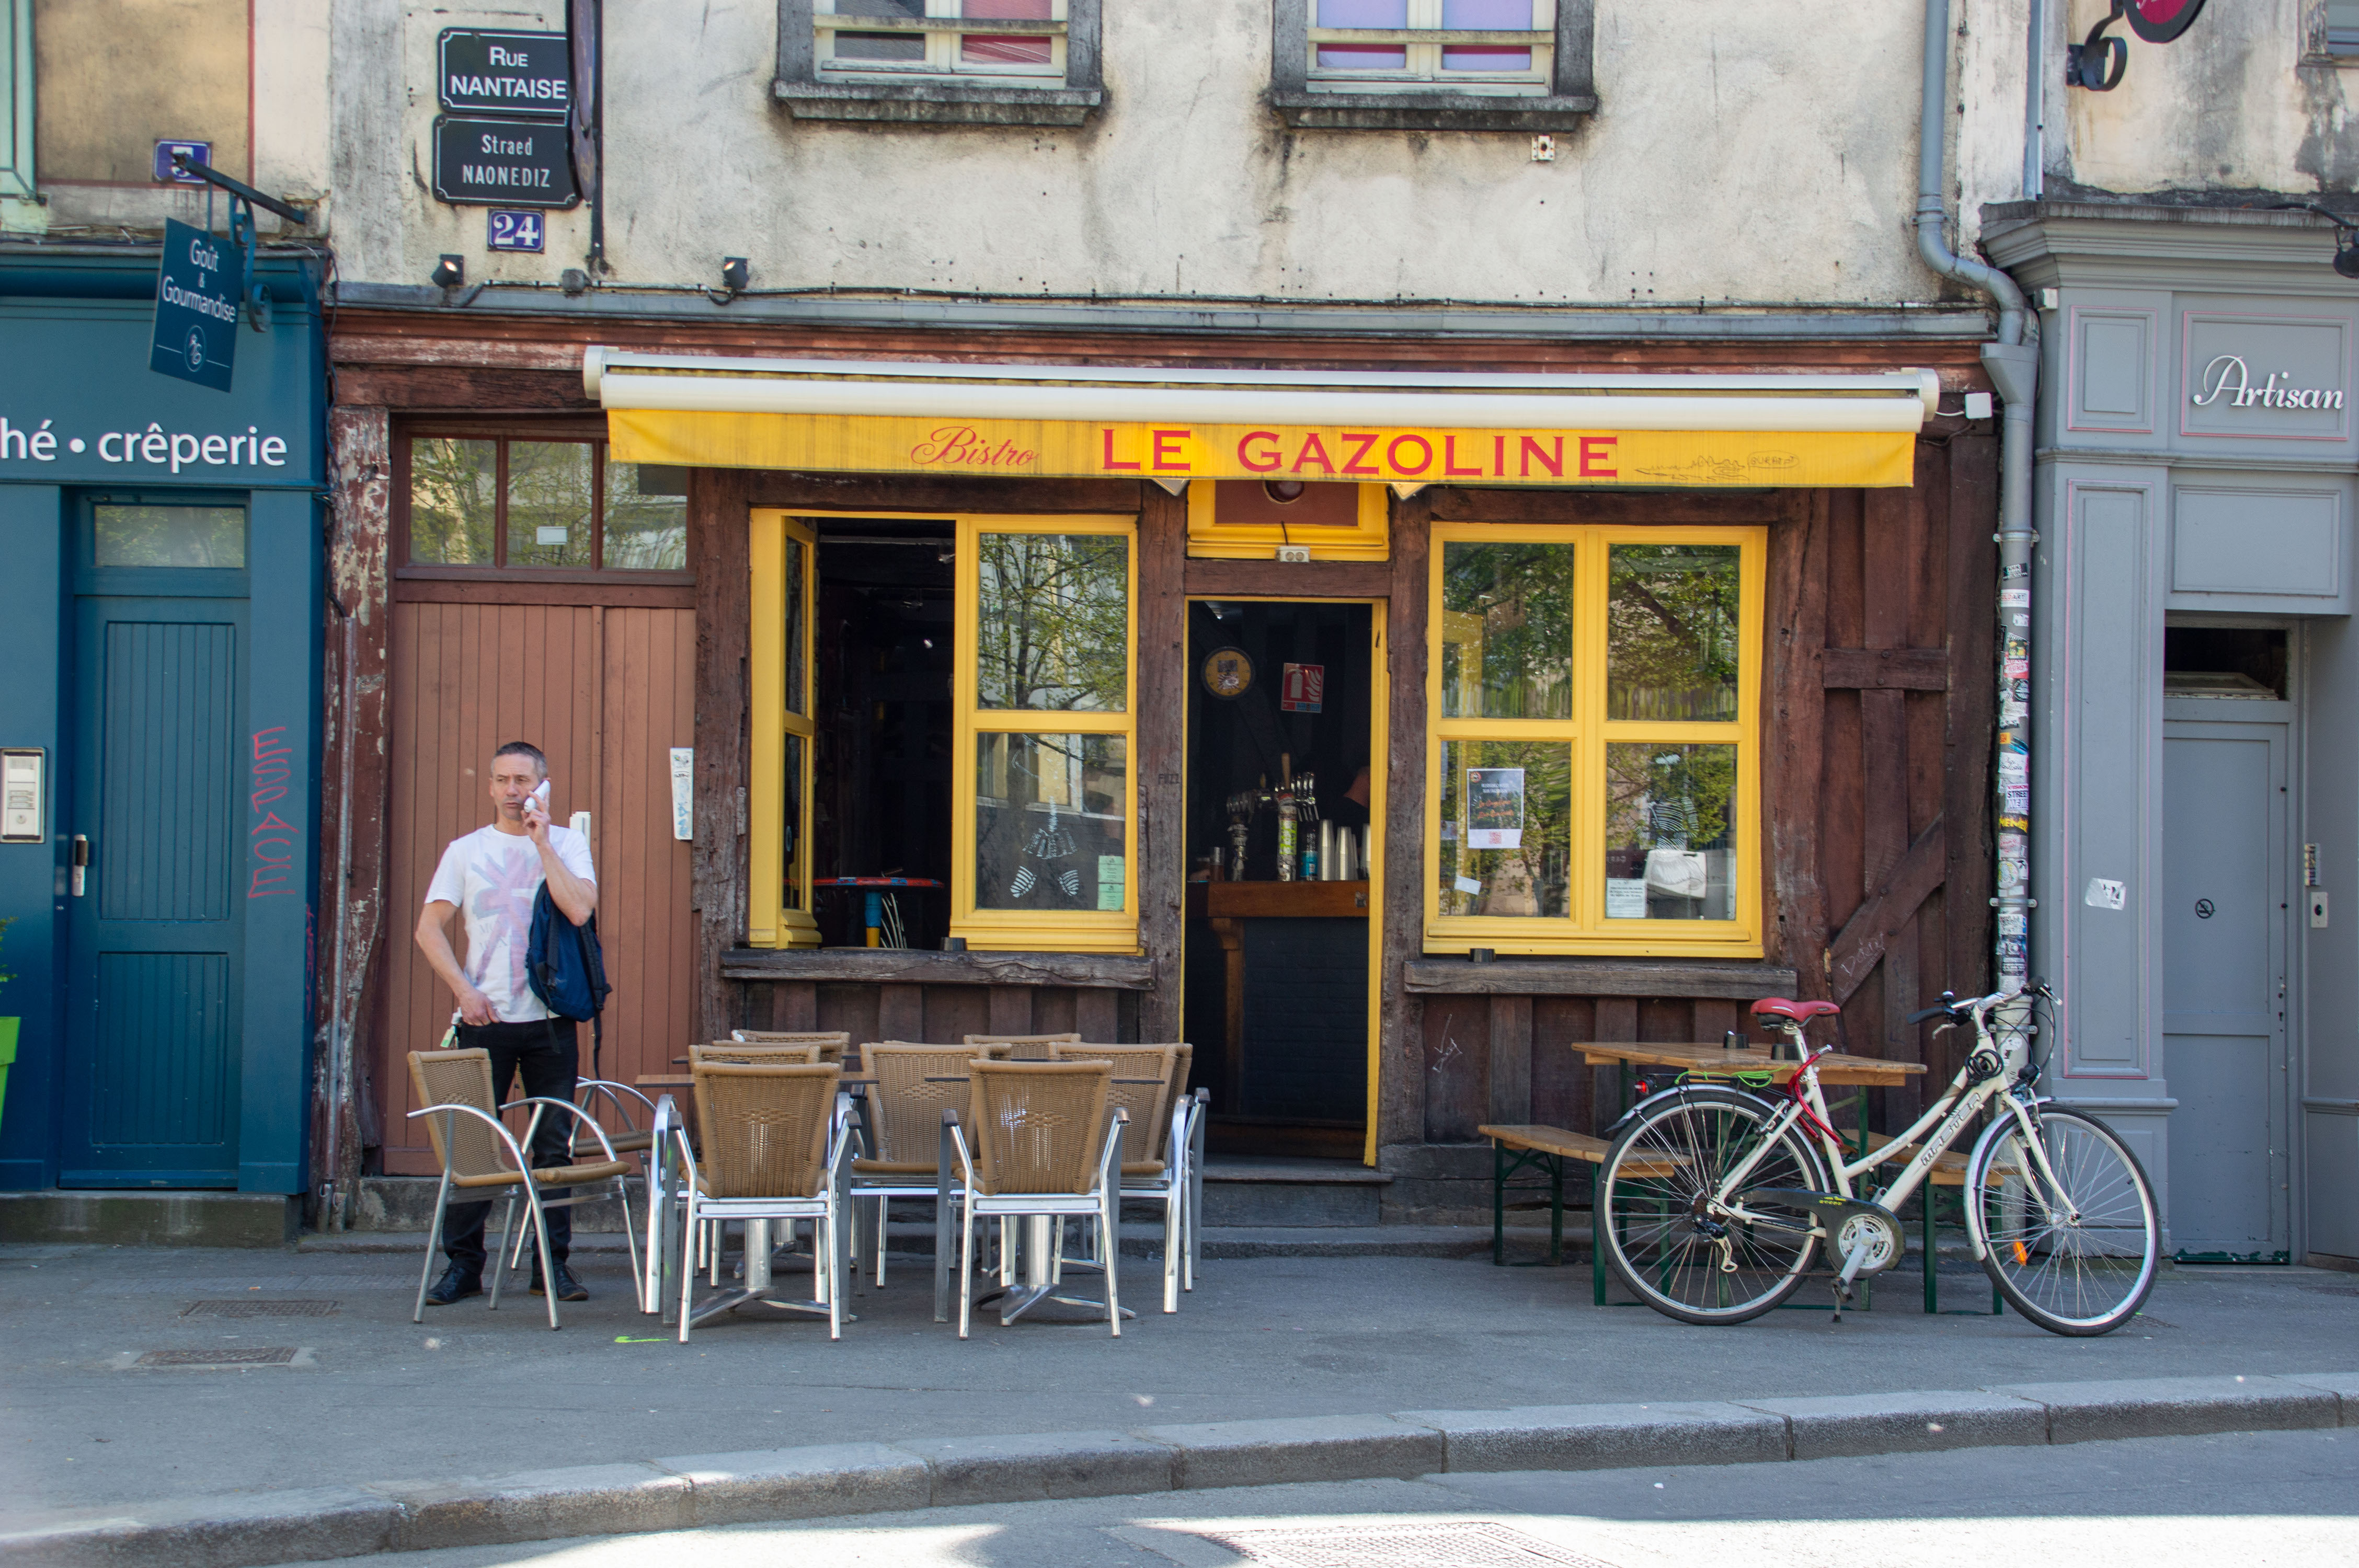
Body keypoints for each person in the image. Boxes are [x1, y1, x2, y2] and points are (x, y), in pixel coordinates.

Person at [414, 741, 599, 1306]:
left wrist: (544, 843)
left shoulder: (567, 844)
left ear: (542, 786)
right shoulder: (465, 851)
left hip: (549, 1020)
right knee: (473, 1146)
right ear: (491, 787)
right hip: (484, 1018)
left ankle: (552, 1268)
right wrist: (463, 991)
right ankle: (463, 1267)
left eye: (523, 780)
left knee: (552, 1147)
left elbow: (580, 909)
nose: (513, 791)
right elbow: (429, 929)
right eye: (503, 780)